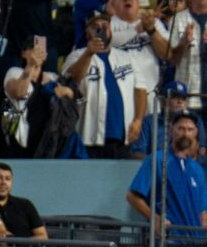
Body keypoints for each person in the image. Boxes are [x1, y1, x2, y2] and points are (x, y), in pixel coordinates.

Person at [62, 11, 149, 159]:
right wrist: (89, 53)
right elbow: (71, 80)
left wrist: (138, 120)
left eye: (104, 26)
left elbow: (140, 89)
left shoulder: (126, 56)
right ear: (87, 31)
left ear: (110, 30)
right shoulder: (77, 55)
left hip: (123, 136)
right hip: (88, 136)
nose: (100, 29)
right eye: (95, 26)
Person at [0, 162, 46, 239]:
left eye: (8, 179)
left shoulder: (25, 204)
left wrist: (17, 245)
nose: (3, 182)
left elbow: (42, 236)